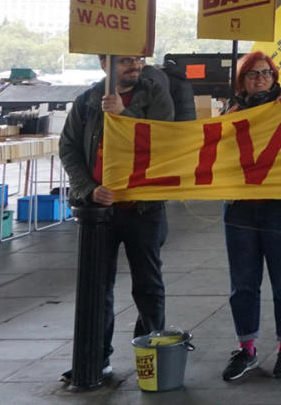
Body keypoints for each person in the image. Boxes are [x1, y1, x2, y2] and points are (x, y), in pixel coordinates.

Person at [58, 54, 175, 382]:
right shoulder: (88, 100)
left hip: (143, 209)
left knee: (148, 287)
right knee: (97, 287)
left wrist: (127, 116)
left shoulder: (155, 96)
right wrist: (89, 189)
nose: (134, 66)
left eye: (137, 59)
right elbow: (68, 148)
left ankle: (151, 357)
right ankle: (95, 360)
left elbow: (164, 140)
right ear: (104, 65)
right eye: (125, 61)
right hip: (100, 212)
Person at [219, 51, 281, 381]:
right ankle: (247, 348)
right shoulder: (229, 112)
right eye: (253, 74)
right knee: (243, 283)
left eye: (266, 73)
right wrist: (225, 123)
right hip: (241, 206)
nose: (260, 79)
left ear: (275, 77)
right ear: (241, 80)